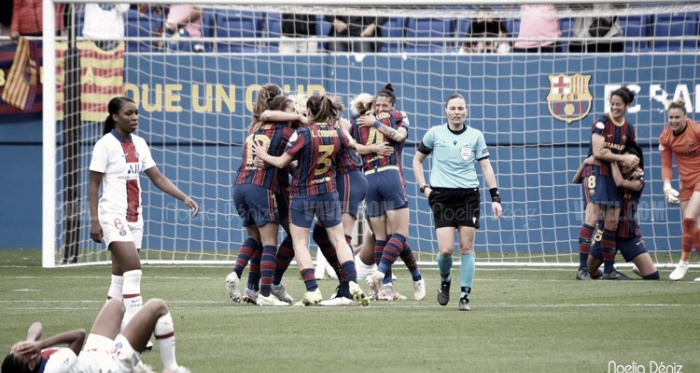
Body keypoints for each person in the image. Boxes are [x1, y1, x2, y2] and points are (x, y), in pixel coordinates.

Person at [89, 96, 199, 332]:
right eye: (129, 113)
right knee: (134, 269)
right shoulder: (105, 145)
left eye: (137, 112)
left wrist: (184, 197)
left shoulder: (139, 144)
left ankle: (107, 330)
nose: (135, 117)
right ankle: (134, 330)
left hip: (135, 217)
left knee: (119, 279)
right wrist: (95, 221)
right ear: (115, 117)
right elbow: (93, 185)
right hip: (112, 214)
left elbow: (157, 177)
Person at [253, 94, 370, 307]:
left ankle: (312, 290)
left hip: (303, 194)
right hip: (329, 192)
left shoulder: (303, 134)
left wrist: (263, 153)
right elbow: (352, 144)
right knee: (339, 240)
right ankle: (352, 282)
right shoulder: (337, 132)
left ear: (309, 111)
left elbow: (281, 162)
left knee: (300, 242)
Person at [413, 94, 502, 311]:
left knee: (466, 247)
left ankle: (464, 296)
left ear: (466, 111)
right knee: (445, 250)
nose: (456, 112)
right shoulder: (435, 133)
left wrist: (495, 197)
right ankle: (445, 281)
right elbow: (417, 160)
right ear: (445, 111)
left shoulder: (475, 136)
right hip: (441, 196)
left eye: (460, 108)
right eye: (452, 108)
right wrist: (424, 188)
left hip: (468, 196)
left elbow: (486, 167)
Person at [226, 85, 300, 306]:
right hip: (264, 188)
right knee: (275, 241)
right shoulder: (287, 133)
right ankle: (267, 290)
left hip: (240, 186)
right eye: (291, 109)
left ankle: (244, 281)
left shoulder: (255, 127)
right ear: (283, 112)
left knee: (256, 239)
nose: (295, 112)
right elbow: (298, 160)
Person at [355, 85, 426, 302]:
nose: (380, 108)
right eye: (377, 105)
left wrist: (372, 122)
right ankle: (407, 278)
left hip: (371, 179)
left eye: (384, 105)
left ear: (392, 105)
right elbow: (397, 136)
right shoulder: (394, 116)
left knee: (384, 236)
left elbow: (353, 146)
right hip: (388, 177)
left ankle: (387, 286)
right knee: (398, 235)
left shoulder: (363, 120)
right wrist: (375, 144)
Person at [2, 298, 190, 373]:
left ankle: (137, 366)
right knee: (157, 306)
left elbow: (36, 325)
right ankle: (171, 369)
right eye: (24, 353)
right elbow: (78, 335)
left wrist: (30, 341)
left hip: (94, 355)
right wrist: (40, 343)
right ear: (32, 364)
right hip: (110, 365)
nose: (26, 349)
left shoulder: (33, 359)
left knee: (115, 305)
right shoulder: (52, 369)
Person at [575, 87, 638, 281]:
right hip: (596, 172)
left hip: (614, 175)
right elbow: (598, 151)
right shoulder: (602, 122)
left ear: (627, 106)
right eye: (612, 103)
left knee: (611, 222)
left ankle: (609, 270)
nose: (614, 107)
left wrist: (633, 166)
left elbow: (628, 156)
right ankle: (582, 269)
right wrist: (624, 158)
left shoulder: (628, 129)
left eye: (618, 104)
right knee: (592, 218)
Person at [574, 144, 660, 280]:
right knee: (591, 272)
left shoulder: (638, 179)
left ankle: (637, 267)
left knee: (653, 276)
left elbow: (620, 183)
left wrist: (611, 159)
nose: (624, 164)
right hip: (605, 233)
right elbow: (578, 179)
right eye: (622, 160)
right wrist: (585, 163)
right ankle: (606, 272)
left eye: (628, 161)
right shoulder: (607, 177)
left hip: (628, 234)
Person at [660, 100, 700, 281]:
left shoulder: (696, 130)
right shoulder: (666, 136)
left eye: (677, 117)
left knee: (690, 218)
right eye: (671, 117)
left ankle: (683, 263)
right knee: (692, 225)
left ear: (685, 117)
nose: (674, 120)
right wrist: (667, 186)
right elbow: (666, 164)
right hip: (686, 183)